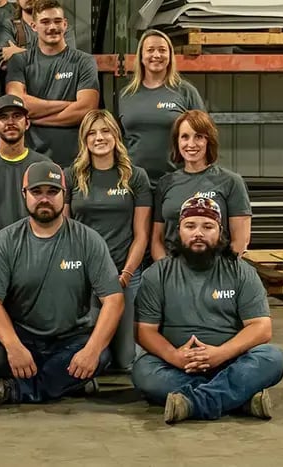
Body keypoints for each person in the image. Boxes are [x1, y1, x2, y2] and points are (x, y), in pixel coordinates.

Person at [0, 160, 124, 406]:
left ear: (64, 195)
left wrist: (91, 350)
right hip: (23, 336)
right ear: (24, 194)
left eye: (52, 192)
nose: (44, 199)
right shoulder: (4, 242)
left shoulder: (89, 240)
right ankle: (68, 381)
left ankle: (18, 391)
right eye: (36, 192)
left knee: (101, 355)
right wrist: (13, 346)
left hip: (70, 339)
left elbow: (114, 299)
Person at [133, 196, 283, 424]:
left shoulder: (240, 272)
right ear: (178, 230)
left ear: (220, 231)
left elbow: (261, 328)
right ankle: (240, 397)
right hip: (178, 364)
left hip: (232, 361)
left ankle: (192, 402)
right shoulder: (157, 274)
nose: (198, 233)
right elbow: (145, 331)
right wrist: (175, 357)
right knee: (143, 370)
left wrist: (220, 354)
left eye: (207, 226)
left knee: (272, 358)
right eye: (190, 226)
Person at [65, 110, 152, 372]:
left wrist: (125, 275)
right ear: (84, 140)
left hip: (123, 274)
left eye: (105, 131)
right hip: (85, 276)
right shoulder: (72, 176)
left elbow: (142, 235)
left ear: (116, 135)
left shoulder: (135, 177)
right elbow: (66, 231)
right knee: (90, 351)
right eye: (92, 133)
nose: (99, 137)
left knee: (126, 361)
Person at [5, 0, 99, 167]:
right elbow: (19, 104)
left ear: (65, 24)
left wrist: (35, 118)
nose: (52, 27)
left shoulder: (84, 61)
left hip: (75, 161)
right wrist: (68, 105)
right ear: (34, 26)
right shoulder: (20, 61)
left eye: (57, 21)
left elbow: (86, 109)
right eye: (45, 22)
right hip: (31, 159)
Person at [152, 110, 251, 261]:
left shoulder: (231, 182)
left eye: (198, 137)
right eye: (185, 137)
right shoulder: (165, 183)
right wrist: (167, 271)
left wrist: (220, 272)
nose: (191, 144)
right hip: (173, 272)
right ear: (177, 141)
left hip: (217, 271)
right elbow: (157, 240)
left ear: (208, 140)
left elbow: (240, 241)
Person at [118, 30, 207, 185]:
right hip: (135, 182)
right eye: (150, 50)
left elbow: (205, 136)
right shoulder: (125, 94)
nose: (156, 55)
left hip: (177, 180)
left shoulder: (185, 92)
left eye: (162, 50)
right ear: (141, 56)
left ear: (170, 55)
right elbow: (118, 139)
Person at [0, 95, 50, 245]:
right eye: (3, 117)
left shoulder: (44, 165)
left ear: (27, 123)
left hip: (36, 252)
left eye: (17, 116)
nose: (10, 122)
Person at [0, 0, 77, 69]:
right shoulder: (7, 26)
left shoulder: (62, 28)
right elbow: (7, 63)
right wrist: (51, 56)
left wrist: (20, 52)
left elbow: (67, 62)